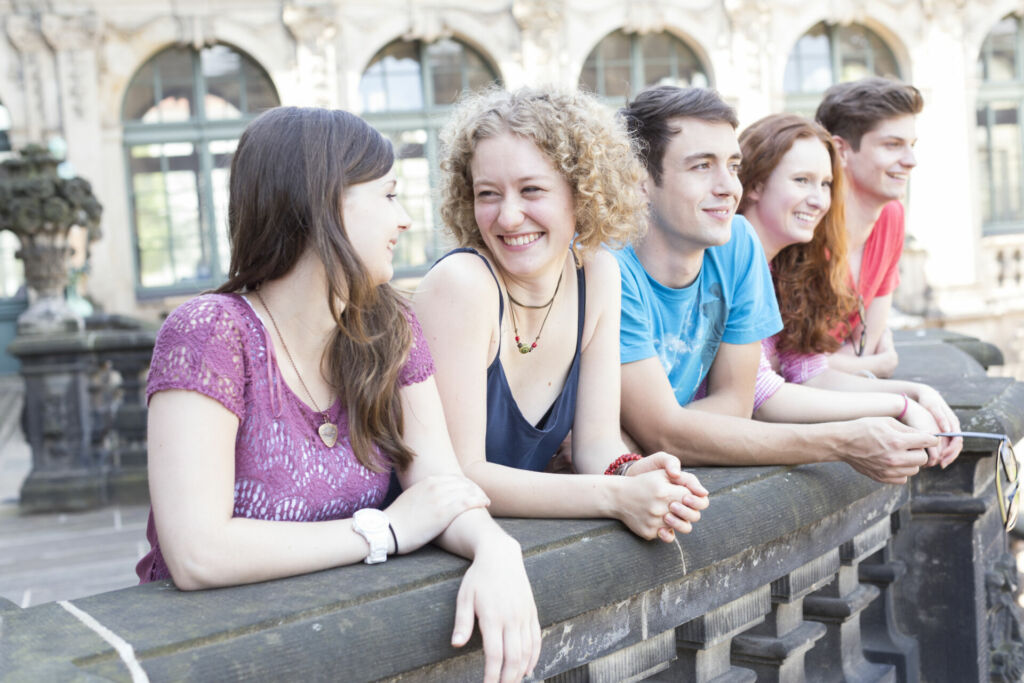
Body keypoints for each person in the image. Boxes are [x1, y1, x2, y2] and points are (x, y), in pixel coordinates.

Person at [137, 106, 540, 683]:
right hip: (217, 659)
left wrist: (496, 550)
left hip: (352, 649)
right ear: (325, 203)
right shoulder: (210, 333)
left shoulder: (390, 329)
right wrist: (384, 531)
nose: (404, 220)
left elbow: (441, 489)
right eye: (388, 195)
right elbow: (197, 552)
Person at [412, 86, 709, 544]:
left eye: (532, 190)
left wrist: (632, 471)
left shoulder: (598, 274)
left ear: (583, 190)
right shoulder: (462, 285)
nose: (508, 217)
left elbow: (596, 445)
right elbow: (461, 474)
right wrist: (614, 496)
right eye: (487, 194)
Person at [616, 85, 939, 484]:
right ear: (640, 180)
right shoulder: (607, 265)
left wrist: (645, 435)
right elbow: (673, 430)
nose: (726, 186)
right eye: (702, 166)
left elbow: (737, 403)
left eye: (733, 166)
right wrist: (846, 439)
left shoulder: (738, 242)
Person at [737, 112, 962, 469]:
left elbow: (810, 373)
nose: (818, 200)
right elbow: (761, 397)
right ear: (755, 184)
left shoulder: (780, 266)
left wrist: (918, 393)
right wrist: (899, 406)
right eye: (801, 180)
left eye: (825, 184)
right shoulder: (732, 258)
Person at [815, 77, 924, 378]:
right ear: (841, 150)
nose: (911, 160)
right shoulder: (805, 227)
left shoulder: (891, 216)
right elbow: (776, 364)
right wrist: (877, 365)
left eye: (911, 146)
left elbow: (866, 344)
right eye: (892, 145)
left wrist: (860, 363)